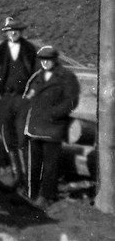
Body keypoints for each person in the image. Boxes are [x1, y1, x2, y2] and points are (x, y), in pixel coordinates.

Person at [22, 45, 80, 208]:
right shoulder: (37, 76)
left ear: (55, 60)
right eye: (42, 60)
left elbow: (71, 101)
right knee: (33, 163)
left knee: (50, 164)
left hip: (53, 127)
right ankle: (30, 194)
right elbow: (28, 95)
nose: (45, 63)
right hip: (35, 127)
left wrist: (53, 114)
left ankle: (46, 196)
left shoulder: (66, 77)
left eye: (48, 60)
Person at [0, 16, 38, 188]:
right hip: (5, 99)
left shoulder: (30, 49)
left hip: (23, 99)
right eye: (10, 30)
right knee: (8, 137)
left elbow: (38, 76)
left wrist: (31, 94)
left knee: (23, 138)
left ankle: (28, 179)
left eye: (16, 30)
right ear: (6, 33)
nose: (13, 33)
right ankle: (17, 176)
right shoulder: (0, 50)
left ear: (21, 32)